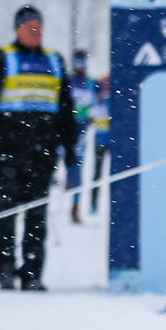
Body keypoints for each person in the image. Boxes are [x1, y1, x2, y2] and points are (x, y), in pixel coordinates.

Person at [0, 7, 78, 290]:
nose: (35, 31)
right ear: (17, 28)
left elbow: (66, 107)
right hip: (5, 151)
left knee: (36, 215)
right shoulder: (2, 59)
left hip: (41, 153)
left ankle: (32, 271)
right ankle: (5, 267)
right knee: (4, 214)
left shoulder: (54, 61)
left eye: (39, 27)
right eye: (30, 26)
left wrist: (68, 145)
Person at [67, 51, 101, 223]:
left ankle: (75, 207)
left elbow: (95, 105)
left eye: (82, 63)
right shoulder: (68, 82)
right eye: (77, 62)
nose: (79, 66)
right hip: (64, 131)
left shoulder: (90, 83)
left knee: (77, 171)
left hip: (81, 132)